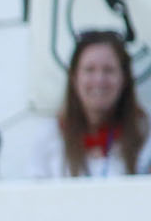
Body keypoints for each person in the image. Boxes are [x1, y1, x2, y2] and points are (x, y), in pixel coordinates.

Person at [28, 29, 150, 180]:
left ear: (124, 78)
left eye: (109, 70)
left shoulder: (145, 134)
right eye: (89, 70)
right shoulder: (49, 137)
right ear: (74, 78)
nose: (99, 80)